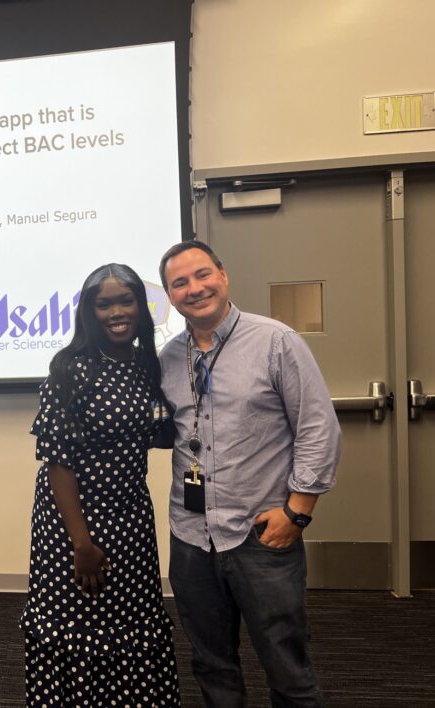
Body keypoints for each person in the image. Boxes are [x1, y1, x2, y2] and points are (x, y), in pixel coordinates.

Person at [157, 241, 341, 707]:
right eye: (180, 283)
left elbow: (318, 428)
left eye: (202, 275)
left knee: (287, 667)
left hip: (261, 536)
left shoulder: (275, 341)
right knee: (211, 664)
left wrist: (297, 513)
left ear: (223, 275)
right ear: (169, 295)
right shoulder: (168, 359)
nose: (194, 289)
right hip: (191, 537)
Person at [20, 263, 180, 706]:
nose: (116, 312)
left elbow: (156, 431)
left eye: (125, 300)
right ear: (88, 312)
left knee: (131, 618)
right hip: (75, 524)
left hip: (130, 517)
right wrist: (81, 542)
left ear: (141, 307)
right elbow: (58, 463)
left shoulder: (145, 363)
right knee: (80, 620)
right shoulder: (70, 369)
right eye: (103, 303)